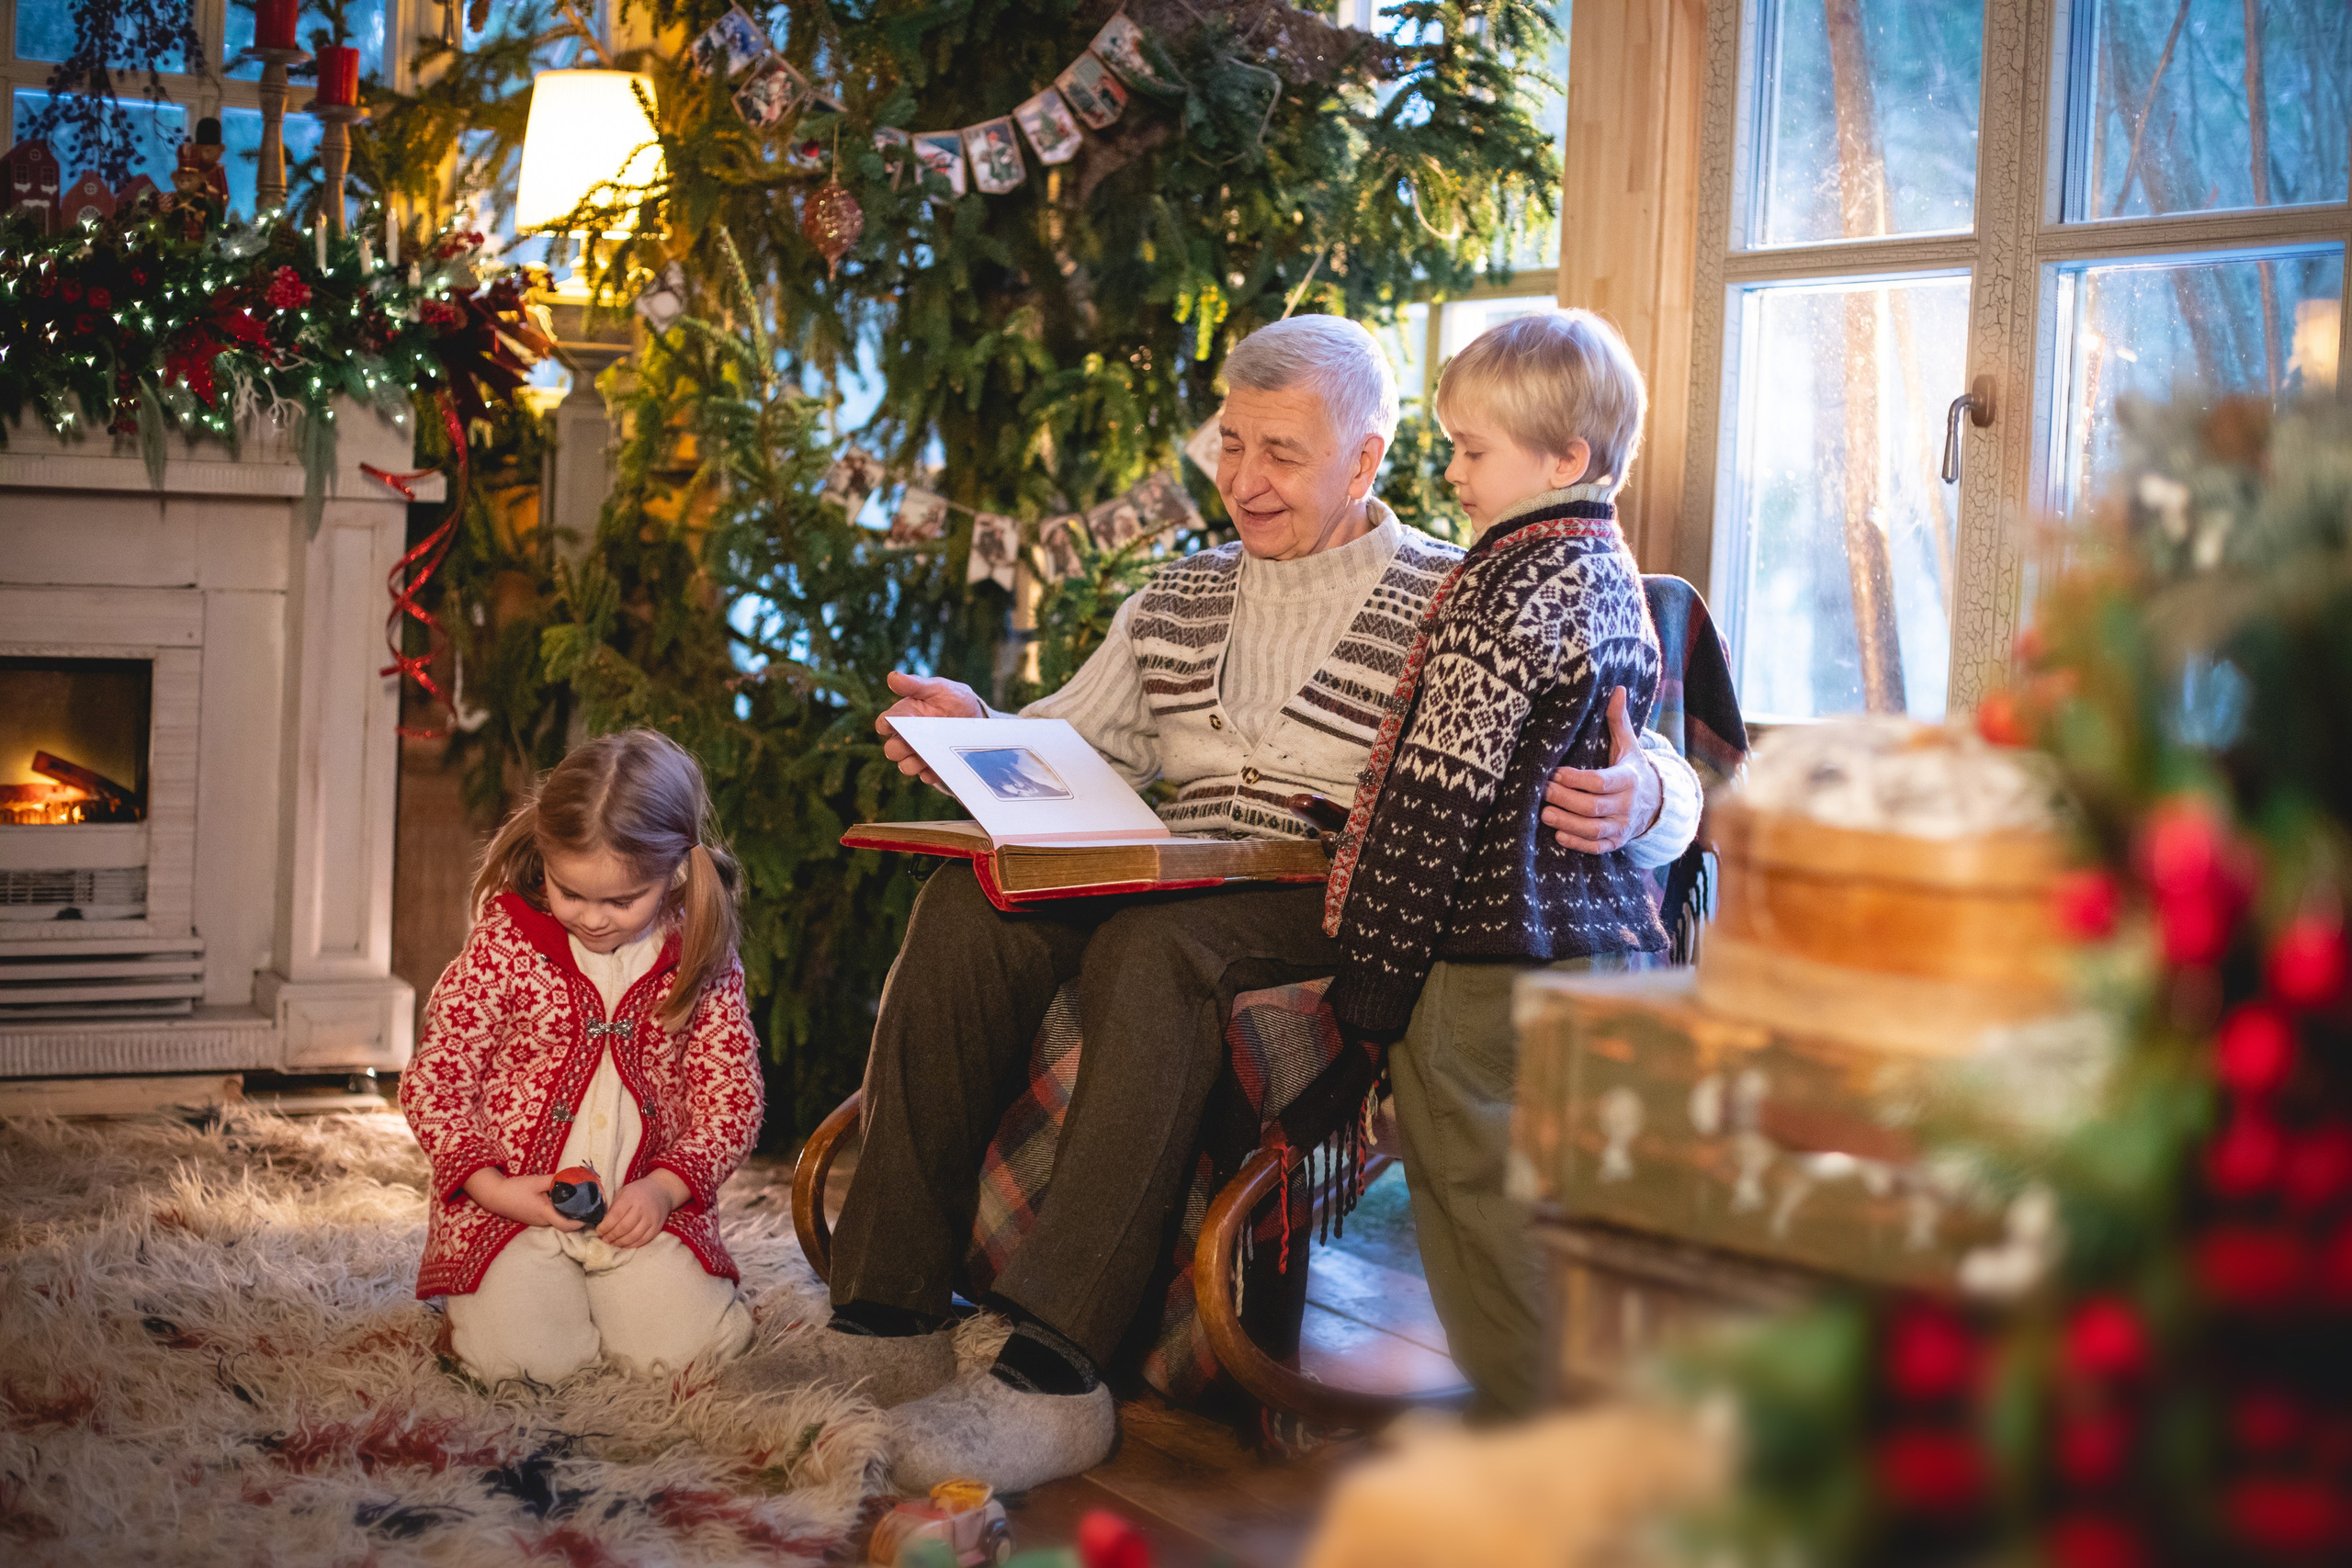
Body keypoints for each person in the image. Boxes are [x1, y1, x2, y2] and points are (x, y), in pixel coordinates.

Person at [728, 316, 1701, 1493]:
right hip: (1168, 867)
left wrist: (1645, 792)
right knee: (963, 906)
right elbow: (1063, 744)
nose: (1244, 480)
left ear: (1366, 458)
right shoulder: (1175, 595)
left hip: (1332, 890)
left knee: (1158, 949)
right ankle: (885, 1318)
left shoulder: (1466, 589)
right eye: (1230, 444)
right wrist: (972, 735)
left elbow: (1641, 751)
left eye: (1282, 452)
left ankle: (1053, 1371)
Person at [1323, 310, 1670, 1420]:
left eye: (1473, 451)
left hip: (1485, 963)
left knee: (1484, 1205)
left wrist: (1370, 988)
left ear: (1563, 459)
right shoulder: (1615, 573)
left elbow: (1435, 803)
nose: (1454, 472)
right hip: (1605, 955)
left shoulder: (1500, 585)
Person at [401, 730, 763, 1386]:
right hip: (509, 1209)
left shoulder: (701, 957)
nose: (593, 918)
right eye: (571, 892)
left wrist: (665, 1187)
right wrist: (493, 1187)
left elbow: (732, 1103)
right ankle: (490, 1311)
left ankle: (624, 1298)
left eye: (622, 900)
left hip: (642, 1210)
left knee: (686, 1356)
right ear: (545, 856)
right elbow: (436, 1082)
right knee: (526, 1367)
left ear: (675, 870)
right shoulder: (505, 942)